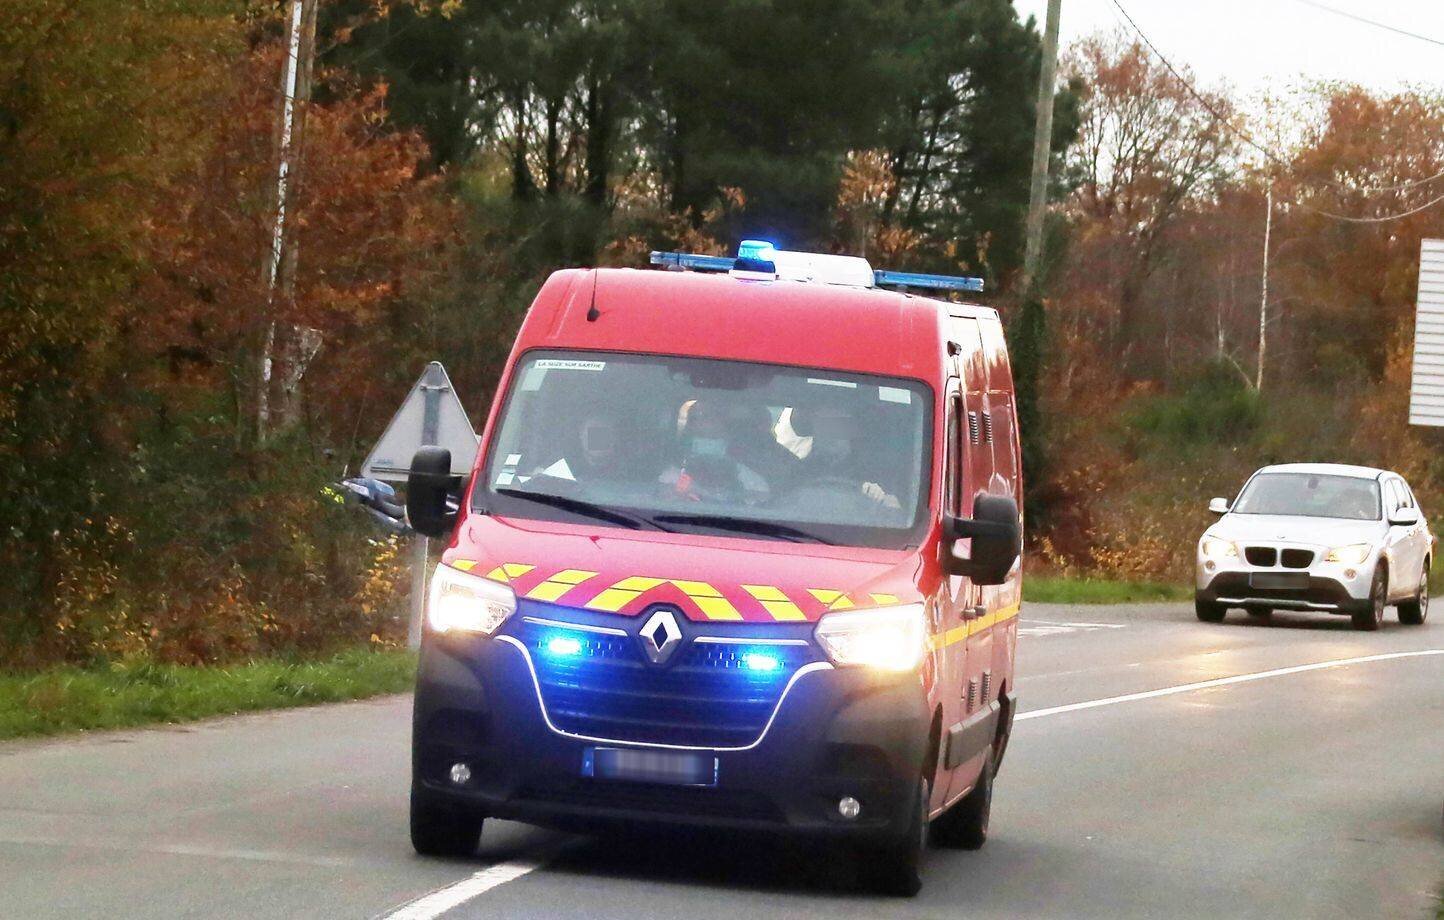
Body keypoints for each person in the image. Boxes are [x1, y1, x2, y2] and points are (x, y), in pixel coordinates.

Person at [792, 404, 901, 510]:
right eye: (824, 425)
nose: (831, 433)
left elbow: (896, 509)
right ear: (814, 429)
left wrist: (879, 497)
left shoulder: (876, 471)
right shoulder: (798, 471)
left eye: (839, 425)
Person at [660, 399, 769, 504]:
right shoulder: (670, 478)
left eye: (713, 417)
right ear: (689, 430)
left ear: (728, 431)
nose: (705, 423)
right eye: (697, 418)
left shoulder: (754, 484)